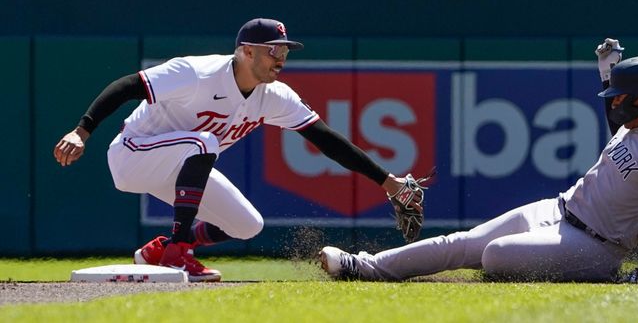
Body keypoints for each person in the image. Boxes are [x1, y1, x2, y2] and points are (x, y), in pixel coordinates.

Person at [53, 18, 421, 282]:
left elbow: (325, 140)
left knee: (247, 225)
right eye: (272, 50)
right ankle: (178, 251)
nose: (281, 57)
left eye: (285, 50)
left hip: (178, 167)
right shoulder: (196, 73)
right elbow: (127, 85)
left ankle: (159, 248)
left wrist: (387, 182)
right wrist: (82, 130)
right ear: (246, 51)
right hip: (133, 156)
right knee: (204, 140)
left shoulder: (274, 97)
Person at [319, 38, 638, 283]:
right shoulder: (634, 125)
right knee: (461, 243)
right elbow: (616, 124)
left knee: (496, 255)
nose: (613, 101)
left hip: (597, 248)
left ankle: (598, 273)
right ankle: (363, 266)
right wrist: (606, 72)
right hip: (558, 210)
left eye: (619, 96)